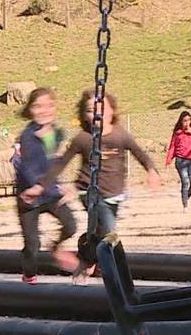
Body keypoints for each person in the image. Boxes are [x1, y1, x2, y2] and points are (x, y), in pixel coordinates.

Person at [21, 89, 162, 283]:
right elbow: (61, 163)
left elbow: (140, 153)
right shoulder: (83, 138)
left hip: (115, 193)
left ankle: (85, 254)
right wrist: (40, 186)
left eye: (103, 108)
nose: (97, 112)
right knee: (109, 232)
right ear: (84, 115)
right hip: (90, 191)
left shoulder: (121, 135)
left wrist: (152, 171)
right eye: (90, 110)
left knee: (99, 231)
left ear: (112, 110)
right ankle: (110, 277)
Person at [13, 87, 79, 284]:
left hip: (49, 193)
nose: (44, 110)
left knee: (71, 225)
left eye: (49, 105)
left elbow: (53, 163)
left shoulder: (57, 133)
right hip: (30, 196)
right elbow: (27, 168)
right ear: (30, 110)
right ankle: (29, 276)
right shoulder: (28, 136)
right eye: (38, 106)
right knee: (32, 243)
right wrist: (38, 187)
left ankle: (55, 246)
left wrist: (63, 186)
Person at [165, 110, 191, 210]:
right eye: (185, 120)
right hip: (180, 160)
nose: (187, 123)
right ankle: (185, 205)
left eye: (189, 120)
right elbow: (172, 147)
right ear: (181, 122)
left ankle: (186, 197)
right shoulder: (178, 133)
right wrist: (168, 160)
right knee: (185, 181)